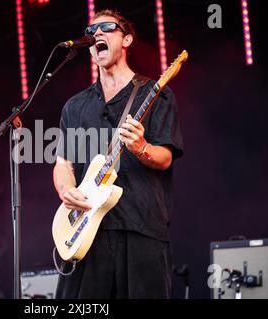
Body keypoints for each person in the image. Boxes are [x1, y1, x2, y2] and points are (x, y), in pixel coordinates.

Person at [53, 9, 184, 298]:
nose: (96, 34)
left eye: (107, 28)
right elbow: (64, 163)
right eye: (91, 31)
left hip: (141, 229)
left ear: (126, 40)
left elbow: (165, 158)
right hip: (87, 234)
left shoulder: (157, 93)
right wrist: (66, 189)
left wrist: (141, 148)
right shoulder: (75, 106)